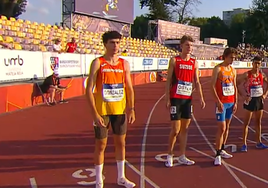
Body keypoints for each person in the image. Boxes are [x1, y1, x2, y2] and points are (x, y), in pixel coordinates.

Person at [85, 31, 136, 188]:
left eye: (118, 43)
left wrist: (131, 108)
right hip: (102, 112)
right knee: (101, 145)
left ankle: (121, 177)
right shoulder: (98, 63)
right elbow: (89, 89)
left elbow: (129, 88)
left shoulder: (124, 64)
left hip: (119, 111)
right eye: (112, 43)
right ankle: (99, 180)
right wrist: (94, 113)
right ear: (105, 44)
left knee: (121, 144)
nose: (116, 46)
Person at [165, 35, 205, 167]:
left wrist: (201, 97)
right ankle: (170, 155)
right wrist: (167, 98)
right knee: (175, 130)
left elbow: (197, 82)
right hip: (176, 99)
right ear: (181, 46)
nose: (189, 48)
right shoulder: (174, 61)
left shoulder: (194, 62)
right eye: (187, 45)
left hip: (187, 100)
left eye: (191, 46)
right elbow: (169, 81)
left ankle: (182, 155)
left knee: (185, 129)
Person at [211, 47, 238, 166]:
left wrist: (236, 102)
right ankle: (217, 154)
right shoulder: (218, 69)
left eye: (234, 58)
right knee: (221, 128)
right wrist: (218, 101)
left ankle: (222, 149)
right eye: (231, 57)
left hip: (231, 102)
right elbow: (212, 86)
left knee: (227, 128)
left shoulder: (233, 70)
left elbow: (235, 86)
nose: (233, 59)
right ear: (225, 56)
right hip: (221, 103)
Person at [237, 56, 268, 151]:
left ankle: (258, 142)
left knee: (258, 122)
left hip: (259, 100)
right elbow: (237, 83)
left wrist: (265, 95)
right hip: (250, 100)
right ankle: (244, 144)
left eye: (259, 63)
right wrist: (243, 95)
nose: (257, 65)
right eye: (255, 63)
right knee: (246, 123)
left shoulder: (262, 75)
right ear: (252, 64)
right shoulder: (247, 74)